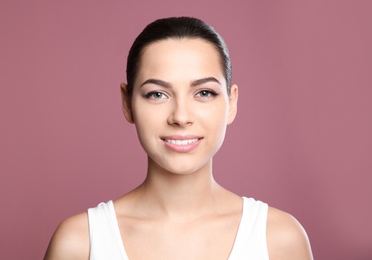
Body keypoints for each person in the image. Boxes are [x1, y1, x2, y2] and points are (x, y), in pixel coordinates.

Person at [44, 17, 313, 259]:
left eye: (204, 93)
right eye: (157, 94)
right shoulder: (80, 243)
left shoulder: (279, 240)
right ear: (127, 103)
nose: (181, 116)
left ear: (231, 103)